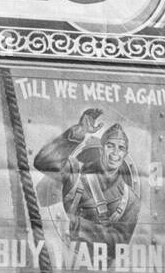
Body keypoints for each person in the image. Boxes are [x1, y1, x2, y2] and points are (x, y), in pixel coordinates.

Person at [33, 107, 141, 255]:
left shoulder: (131, 200)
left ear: (125, 154)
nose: (115, 152)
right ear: (102, 149)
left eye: (120, 148)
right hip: (65, 257)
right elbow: (43, 162)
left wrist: (77, 224)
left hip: (101, 270)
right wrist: (79, 132)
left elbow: (119, 244)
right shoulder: (76, 172)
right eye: (110, 146)